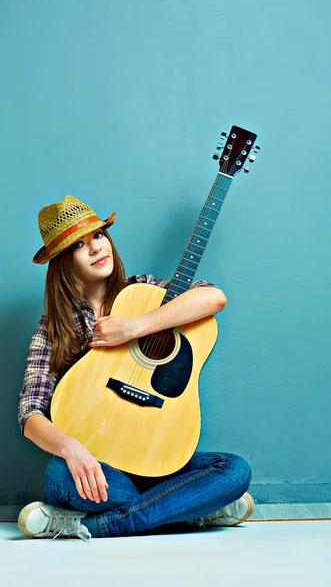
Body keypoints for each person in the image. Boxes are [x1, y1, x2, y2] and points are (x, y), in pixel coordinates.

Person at [17, 195, 254, 541]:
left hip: (163, 459)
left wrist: (134, 327)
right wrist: (72, 449)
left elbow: (213, 297)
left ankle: (97, 525)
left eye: (98, 235)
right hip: (104, 468)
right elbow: (30, 412)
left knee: (235, 471)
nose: (96, 248)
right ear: (63, 261)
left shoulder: (142, 292)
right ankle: (190, 508)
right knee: (61, 476)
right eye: (79, 245)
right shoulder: (53, 328)